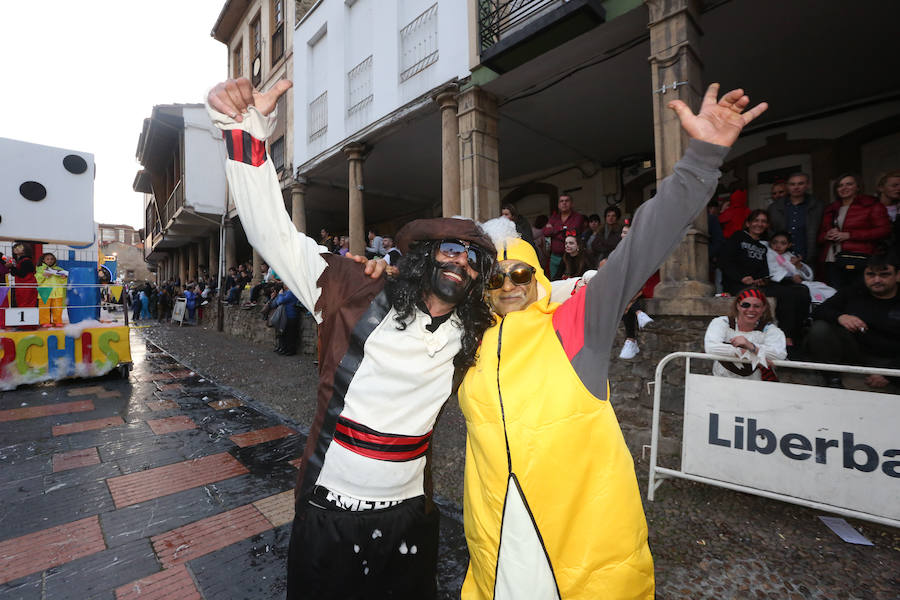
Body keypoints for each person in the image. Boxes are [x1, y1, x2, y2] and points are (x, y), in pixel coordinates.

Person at [456, 83, 767, 600]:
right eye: (492, 278)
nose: (507, 286)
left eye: (517, 273)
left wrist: (701, 159)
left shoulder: (576, 322)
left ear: (536, 275)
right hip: (496, 549)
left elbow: (644, 240)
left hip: (583, 552)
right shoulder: (467, 340)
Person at [207, 76, 498, 600]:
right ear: (424, 256)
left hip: (411, 521)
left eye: (474, 258)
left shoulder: (471, 333)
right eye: (450, 249)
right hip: (329, 517)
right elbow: (271, 231)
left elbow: (557, 298)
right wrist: (246, 128)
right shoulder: (351, 287)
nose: (461, 262)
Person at [805, 253, 900, 389]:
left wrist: (889, 374)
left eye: (884, 275)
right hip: (857, 355)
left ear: (897, 276)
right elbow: (819, 311)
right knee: (820, 328)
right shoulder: (854, 291)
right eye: (871, 275)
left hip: (892, 358)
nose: (876, 280)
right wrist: (841, 317)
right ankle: (833, 377)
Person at [718, 209, 810, 345]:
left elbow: (763, 270)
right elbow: (724, 261)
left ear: (767, 225)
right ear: (748, 223)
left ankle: (800, 331)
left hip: (756, 284)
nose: (759, 224)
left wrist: (762, 279)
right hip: (738, 284)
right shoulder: (738, 237)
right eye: (756, 220)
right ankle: (786, 337)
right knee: (786, 294)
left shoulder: (763, 247)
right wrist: (741, 277)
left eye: (763, 221)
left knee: (801, 290)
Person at [818, 173, 891, 289]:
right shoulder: (831, 208)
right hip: (832, 259)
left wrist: (850, 235)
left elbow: (884, 231)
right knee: (837, 295)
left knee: (860, 294)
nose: (844, 188)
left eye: (849, 184)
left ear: (858, 187)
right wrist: (826, 235)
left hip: (858, 257)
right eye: (840, 185)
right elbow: (820, 235)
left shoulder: (871, 205)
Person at [704, 288, 787, 380]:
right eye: (745, 305)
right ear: (738, 306)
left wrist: (750, 346)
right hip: (722, 383)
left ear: (763, 308)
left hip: (756, 387)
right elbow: (711, 347)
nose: (751, 309)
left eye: (756, 306)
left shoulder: (770, 330)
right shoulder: (722, 323)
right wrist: (749, 354)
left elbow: (779, 354)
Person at [768, 172, 823, 264]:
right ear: (787, 186)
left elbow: (821, 231)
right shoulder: (774, 208)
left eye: (800, 183)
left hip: (808, 258)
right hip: (779, 259)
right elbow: (770, 232)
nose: (796, 187)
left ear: (807, 185)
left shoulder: (818, 206)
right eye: (792, 184)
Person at [767, 231, 835, 303]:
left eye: (783, 243)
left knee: (828, 290)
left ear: (789, 245)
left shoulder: (789, 256)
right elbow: (772, 271)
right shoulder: (768, 254)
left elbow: (809, 276)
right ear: (770, 243)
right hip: (782, 284)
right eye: (774, 242)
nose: (778, 246)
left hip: (798, 283)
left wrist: (798, 265)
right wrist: (790, 277)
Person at [542, 193, 586, 277]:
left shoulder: (577, 217)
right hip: (555, 256)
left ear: (571, 203)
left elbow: (572, 232)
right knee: (555, 282)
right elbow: (545, 232)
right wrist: (561, 229)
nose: (564, 203)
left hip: (571, 257)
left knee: (571, 281)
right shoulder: (554, 217)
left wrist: (553, 230)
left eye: (567, 201)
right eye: (561, 201)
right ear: (558, 205)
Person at [35, 252, 68, 325]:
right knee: (44, 309)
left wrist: (64, 278)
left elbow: (64, 283)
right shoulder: (40, 269)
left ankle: (58, 321)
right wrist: (44, 275)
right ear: (43, 260)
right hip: (44, 291)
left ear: (54, 260)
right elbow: (37, 281)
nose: (50, 261)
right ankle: (44, 322)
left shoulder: (59, 270)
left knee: (58, 309)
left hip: (57, 292)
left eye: (52, 259)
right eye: (47, 259)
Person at [9, 243, 38, 309]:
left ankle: (29, 318)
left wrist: (12, 267)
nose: (16, 248)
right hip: (22, 285)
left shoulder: (27, 261)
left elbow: (21, 274)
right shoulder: (20, 261)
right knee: (21, 302)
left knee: (26, 303)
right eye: (15, 247)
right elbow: (14, 273)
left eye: (19, 247)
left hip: (27, 286)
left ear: (25, 249)